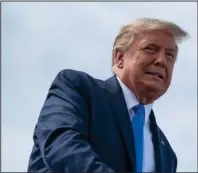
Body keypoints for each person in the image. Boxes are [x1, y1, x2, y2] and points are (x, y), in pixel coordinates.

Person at [27, 18, 189, 172]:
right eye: (150, 49)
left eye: (170, 55)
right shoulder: (78, 89)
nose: (161, 60)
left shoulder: (168, 154)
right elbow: (60, 145)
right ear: (119, 58)